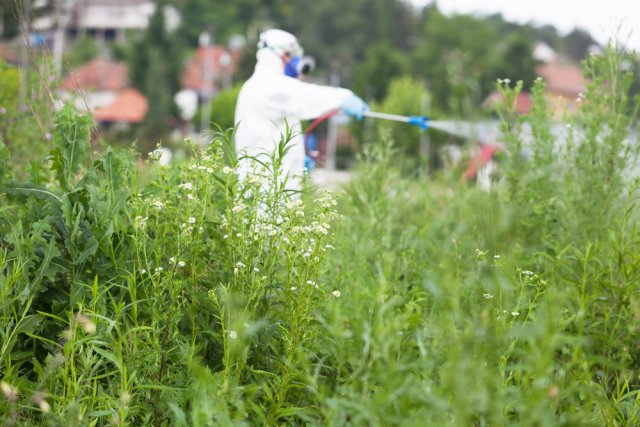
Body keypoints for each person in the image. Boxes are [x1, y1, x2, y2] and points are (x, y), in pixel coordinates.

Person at [234, 28, 369, 191]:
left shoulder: (256, 86)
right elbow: (306, 96)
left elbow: (273, 135)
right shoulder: (267, 85)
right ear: (280, 54)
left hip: (266, 186)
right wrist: (343, 98)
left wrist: (297, 159)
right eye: (292, 55)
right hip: (265, 191)